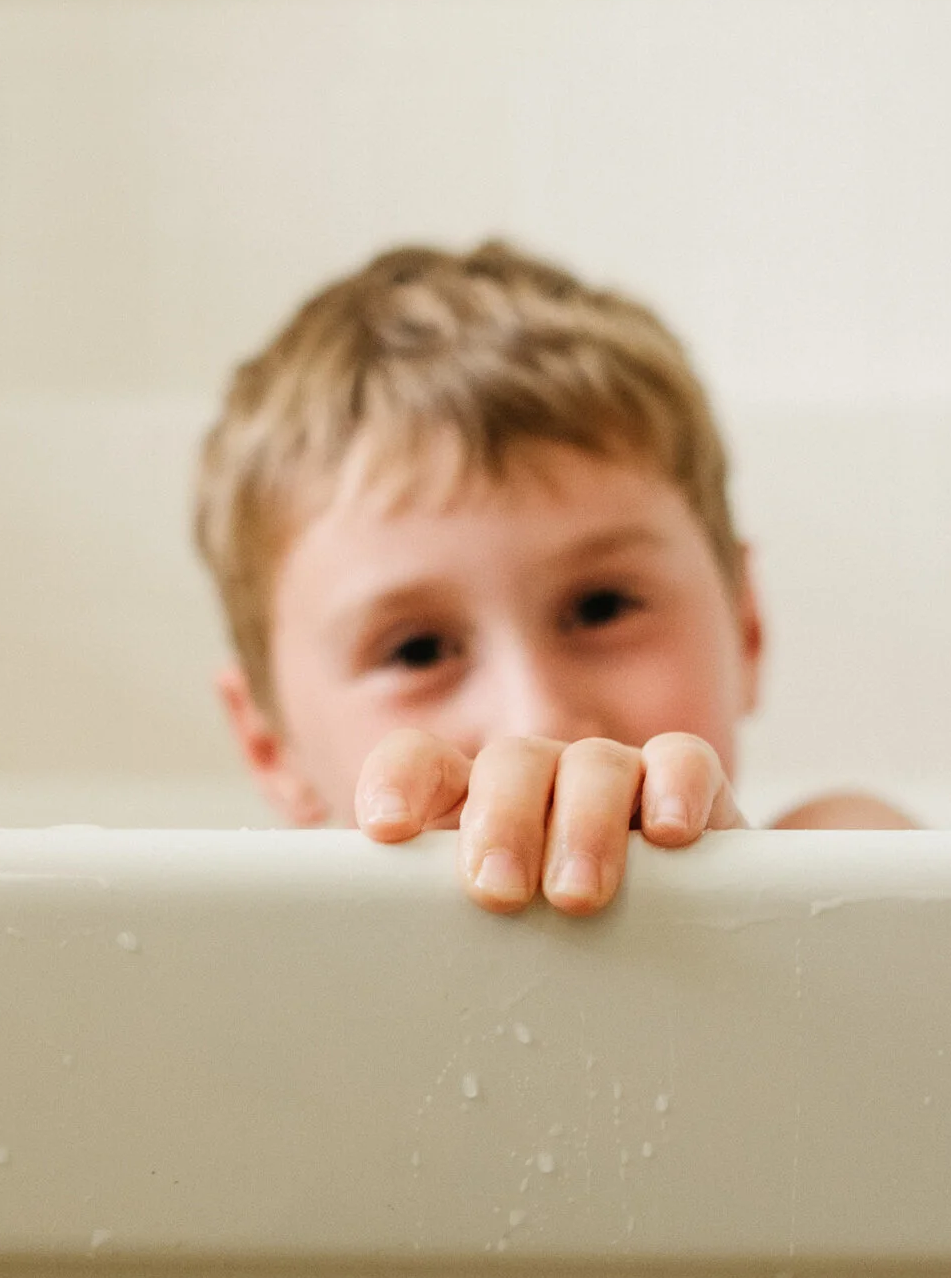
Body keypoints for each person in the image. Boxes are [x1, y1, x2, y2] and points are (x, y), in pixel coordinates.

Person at [193, 240, 910, 916]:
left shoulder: (845, 861)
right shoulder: (282, 988)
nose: (533, 722)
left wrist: (770, 929)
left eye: (601, 607)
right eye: (416, 650)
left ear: (745, 628)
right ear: (269, 745)